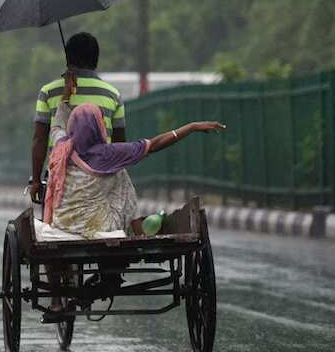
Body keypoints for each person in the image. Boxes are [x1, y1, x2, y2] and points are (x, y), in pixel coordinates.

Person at [42, 71, 224, 307]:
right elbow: (155, 144)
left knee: (117, 173)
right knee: (121, 173)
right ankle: (136, 229)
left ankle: (60, 298)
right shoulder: (111, 154)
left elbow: (57, 124)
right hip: (102, 226)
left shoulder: (61, 147)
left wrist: (66, 97)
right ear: (99, 127)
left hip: (65, 222)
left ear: (73, 129)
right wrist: (190, 127)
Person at [31, 32, 126, 204]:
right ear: (96, 59)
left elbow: (40, 139)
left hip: (60, 181)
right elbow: (119, 144)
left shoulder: (48, 92)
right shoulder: (113, 95)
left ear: (68, 58)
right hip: (101, 180)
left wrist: (36, 180)